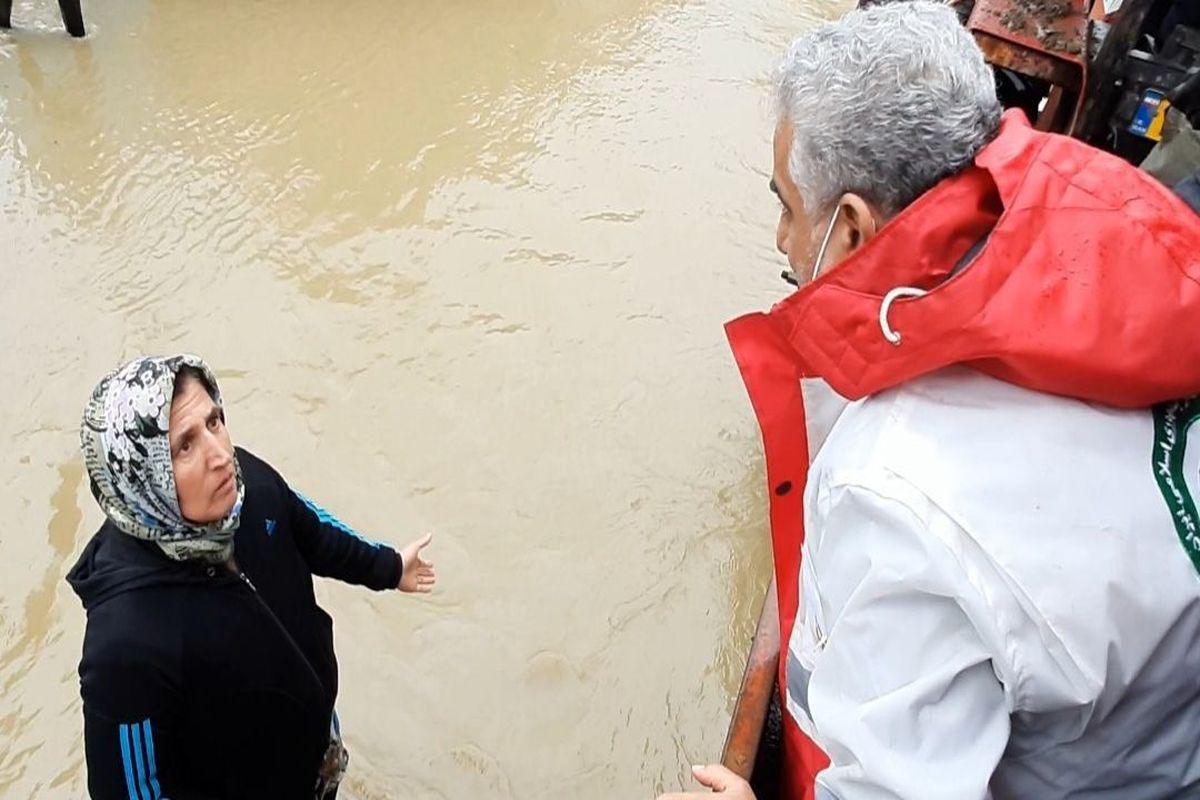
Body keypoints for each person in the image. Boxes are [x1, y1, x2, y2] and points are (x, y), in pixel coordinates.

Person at [660, 3, 1200, 799]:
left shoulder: (891, 490)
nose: (780, 238)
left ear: (848, 228)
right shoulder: (1133, 258)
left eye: (785, 204)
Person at [67, 354, 436, 799]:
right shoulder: (125, 645)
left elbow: (312, 529)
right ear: (142, 476)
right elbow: (129, 793)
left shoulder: (246, 489)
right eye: (185, 446)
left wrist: (390, 566)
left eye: (215, 421)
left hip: (315, 758)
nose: (219, 455)